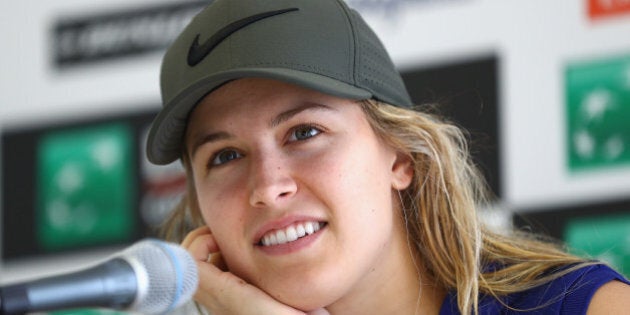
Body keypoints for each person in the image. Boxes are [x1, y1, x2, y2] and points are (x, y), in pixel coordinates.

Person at [145, 0, 630, 314]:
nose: (268, 186)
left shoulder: (582, 307)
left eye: (305, 131)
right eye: (225, 155)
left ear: (400, 157)